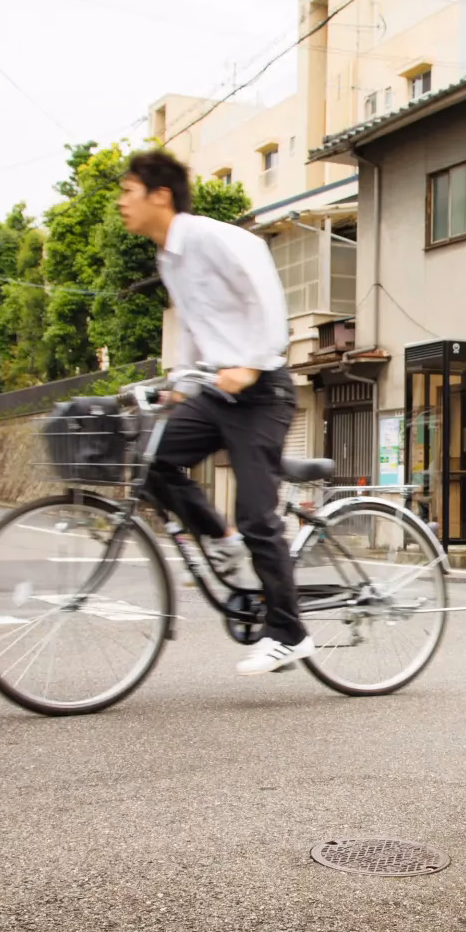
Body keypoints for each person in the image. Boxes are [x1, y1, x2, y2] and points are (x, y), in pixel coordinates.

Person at [116, 150, 312, 675]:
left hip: (260, 389)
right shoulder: (167, 257)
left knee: (257, 515)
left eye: (127, 192)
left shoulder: (211, 236)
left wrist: (250, 364)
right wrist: (179, 382)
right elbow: (193, 323)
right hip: (215, 391)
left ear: (160, 195)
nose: (120, 203)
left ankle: (289, 634)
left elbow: (265, 294)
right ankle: (220, 541)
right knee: (150, 458)